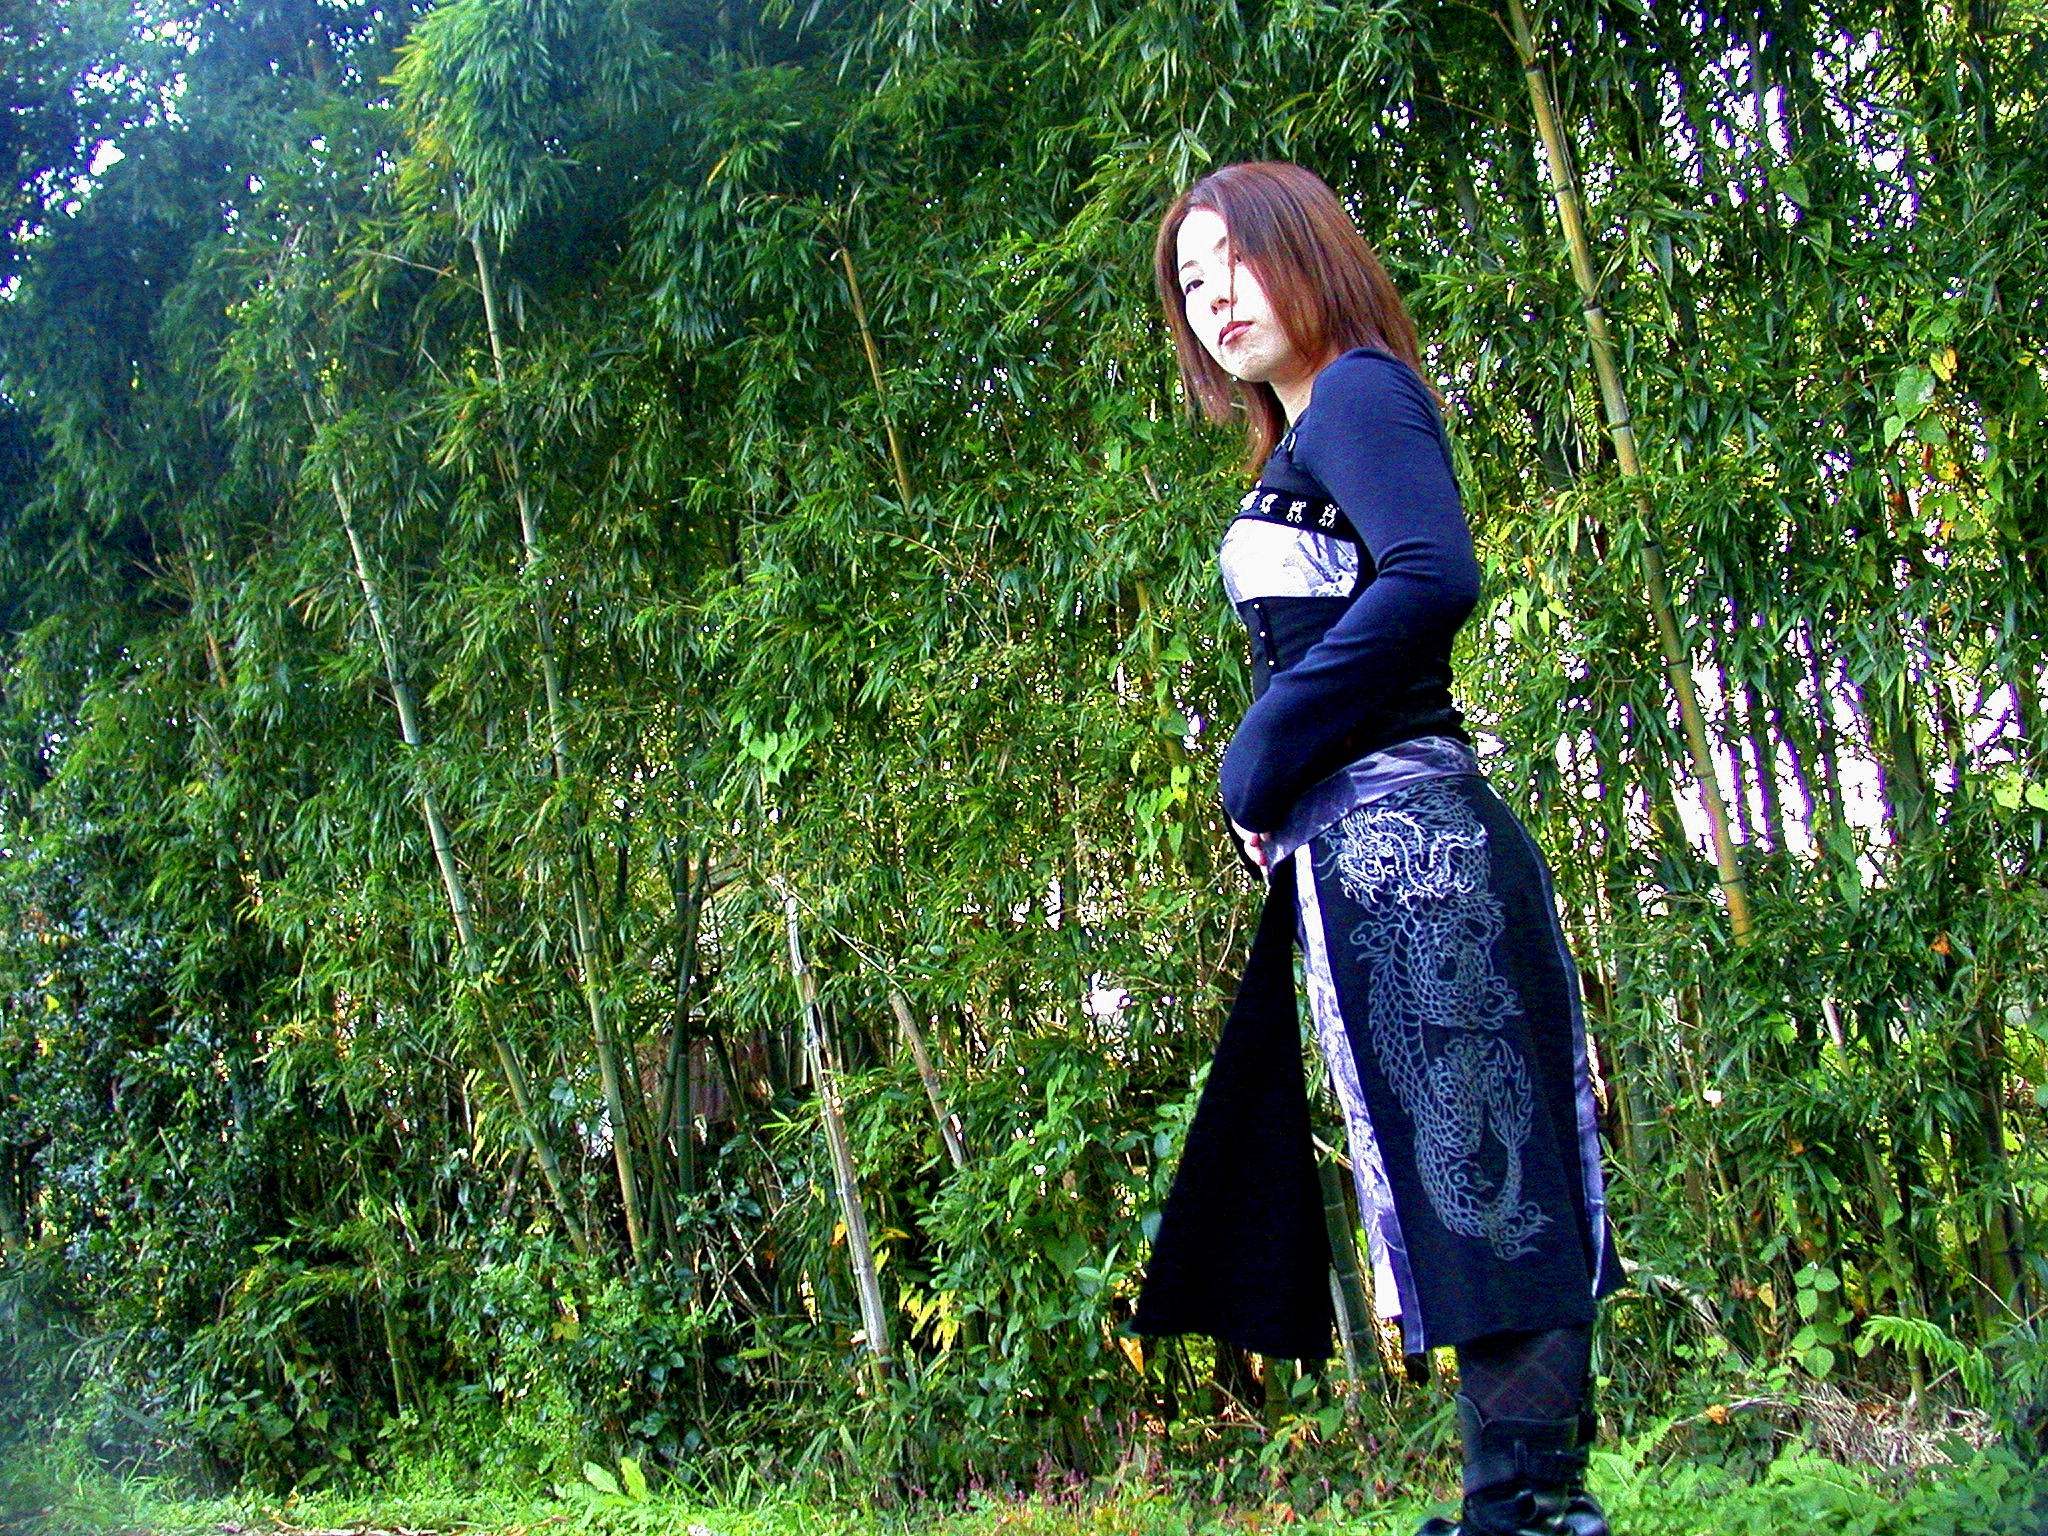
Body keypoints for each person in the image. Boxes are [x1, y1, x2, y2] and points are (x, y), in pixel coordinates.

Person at [1130, 161, 1621, 1536]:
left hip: (1420, 855)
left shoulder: (1358, 390)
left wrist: (1258, 754)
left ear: (1306, 251)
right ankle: (1513, 1504)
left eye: (1236, 260)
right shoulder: (1305, 434)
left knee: (1488, 1183)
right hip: (1371, 864)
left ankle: (1530, 1512)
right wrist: (1279, 785)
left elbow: (1433, 572)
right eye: (1190, 283)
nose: (1215, 297)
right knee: (1458, 1181)